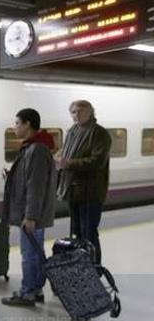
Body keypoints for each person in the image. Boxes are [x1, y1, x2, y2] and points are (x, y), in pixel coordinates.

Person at [1, 108, 57, 307]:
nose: (14, 126)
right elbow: (30, 180)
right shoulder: (33, 147)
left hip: (32, 214)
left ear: (27, 124)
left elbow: (36, 186)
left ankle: (27, 294)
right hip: (31, 212)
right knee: (34, 252)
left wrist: (31, 216)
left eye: (17, 123)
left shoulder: (37, 150)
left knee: (29, 254)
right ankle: (36, 289)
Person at [56, 100, 111, 265]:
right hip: (73, 190)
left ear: (91, 112)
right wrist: (57, 158)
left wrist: (68, 163)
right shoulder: (72, 131)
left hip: (90, 192)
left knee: (89, 233)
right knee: (77, 232)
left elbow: (97, 161)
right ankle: (80, 268)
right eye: (73, 112)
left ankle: (94, 269)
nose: (76, 114)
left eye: (80, 111)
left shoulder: (99, 133)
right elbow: (65, 152)